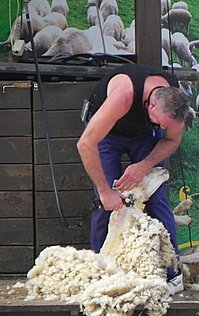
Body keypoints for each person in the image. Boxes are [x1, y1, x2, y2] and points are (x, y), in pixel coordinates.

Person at [77, 64, 190, 290]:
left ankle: (172, 273)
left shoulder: (174, 101)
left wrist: (144, 165)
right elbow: (85, 143)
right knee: (106, 204)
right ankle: (103, 272)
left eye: (165, 125)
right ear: (152, 104)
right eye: (160, 121)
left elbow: (171, 139)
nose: (161, 126)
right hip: (106, 132)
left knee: (157, 199)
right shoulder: (124, 94)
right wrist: (104, 191)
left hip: (143, 135)